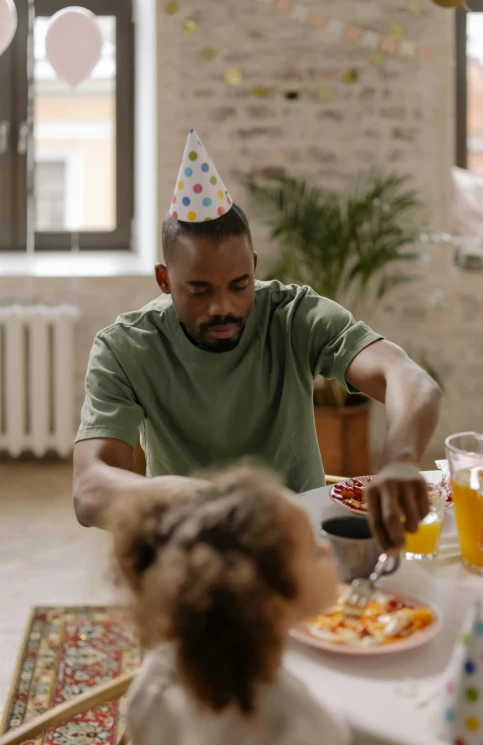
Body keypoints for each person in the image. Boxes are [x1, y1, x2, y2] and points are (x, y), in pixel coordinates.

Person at [74, 129, 441, 552]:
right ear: (164, 280)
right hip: (190, 547)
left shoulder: (293, 315)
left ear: (253, 266)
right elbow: (90, 489)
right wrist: (215, 501)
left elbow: (408, 377)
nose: (223, 307)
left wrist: (400, 459)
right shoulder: (124, 347)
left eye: (238, 284)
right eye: (199, 290)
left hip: (300, 545)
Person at [110, 464, 352, 745]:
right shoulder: (303, 727)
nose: (327, 549)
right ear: (271, 609)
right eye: (315, 551)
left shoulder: (156, 678)